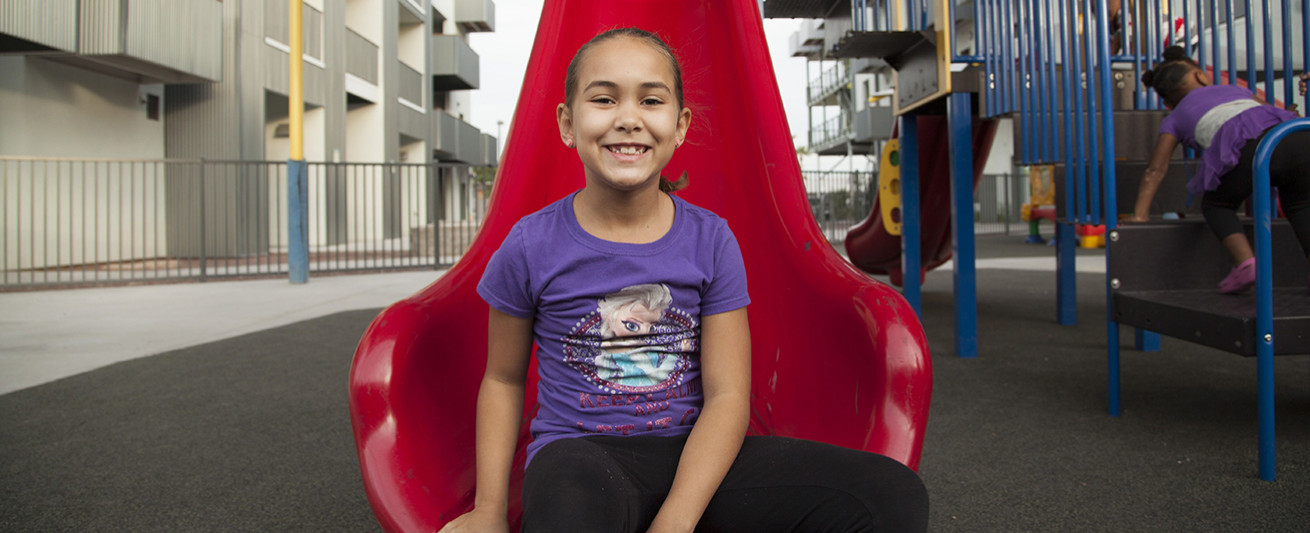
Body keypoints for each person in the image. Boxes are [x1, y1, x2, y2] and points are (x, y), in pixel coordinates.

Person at [438, 27, 928, 533]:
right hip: (581, 459)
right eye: (604, 99)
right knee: (568, 510)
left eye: (651, 100)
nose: (628, 119)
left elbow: (727, 397)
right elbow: (502, 379)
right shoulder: (530, 244)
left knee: (889, 494)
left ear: (680, 125)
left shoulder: (711, 241)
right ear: (568, 122)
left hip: (696, 456)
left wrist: (677, 519)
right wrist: (489, 511)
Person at [1128, 46, 1310, 294]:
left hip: (1250, 150)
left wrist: (1140, 214)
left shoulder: (1173, 118)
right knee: (1300, 204)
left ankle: (1246, 263)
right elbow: (1270, 110)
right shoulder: (1235, 90)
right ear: (1200, 76)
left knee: (1217, 205)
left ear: (1168, 102)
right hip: (1295, 136)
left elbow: (1155, 169)